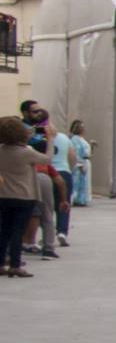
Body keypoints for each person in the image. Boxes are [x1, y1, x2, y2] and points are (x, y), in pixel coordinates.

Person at [0, 117, 42, 279]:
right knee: (18, 232)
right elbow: (47, 158)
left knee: (4, 230)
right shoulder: (26, 152)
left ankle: (1, 263)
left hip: (4, 195)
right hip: (25, 196)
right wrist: (51, 140)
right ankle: (15, 265)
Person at [65, 120, 91, 206]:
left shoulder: (81, 139)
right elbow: (76, 152)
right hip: (79, 164)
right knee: (77, 181)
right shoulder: (75, 139)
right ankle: (77, 199)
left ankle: (82, 199)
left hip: (85, 162)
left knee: (84, 182)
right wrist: (80, 164)